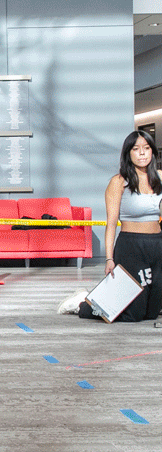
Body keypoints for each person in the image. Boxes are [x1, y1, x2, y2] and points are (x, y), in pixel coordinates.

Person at [58, 130, 162, 321]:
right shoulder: (119, 182)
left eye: (146, 148)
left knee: (152, 313)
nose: (142, 153)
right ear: (128, 154)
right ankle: (83, 303)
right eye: (136, 149)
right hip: (131, 247)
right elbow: (111, 224)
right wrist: (109, 259)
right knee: (134, 314)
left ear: (153, 152)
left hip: (157, 245)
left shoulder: (159, 179)